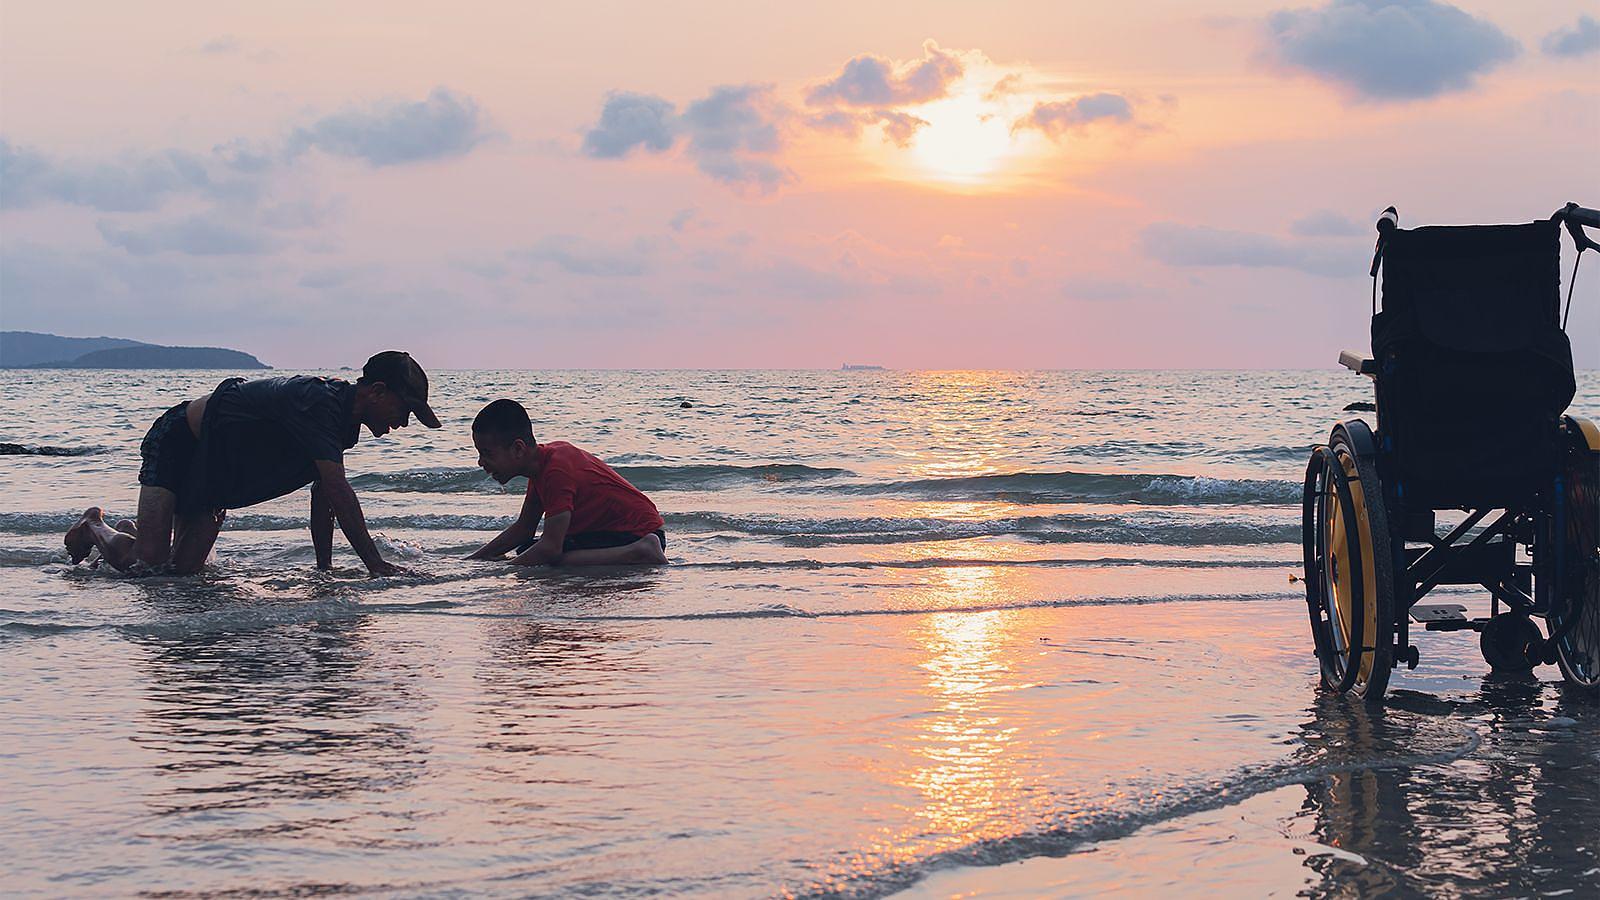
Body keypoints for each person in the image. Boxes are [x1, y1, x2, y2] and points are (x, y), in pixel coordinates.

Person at [64, 351, 442, 576]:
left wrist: (324, 567)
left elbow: (324, 494)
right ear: (377, 391)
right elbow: (339, 492)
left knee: (178, 574)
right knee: (145, 565)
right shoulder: (318, 401)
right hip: (181, 443)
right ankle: (94, 525)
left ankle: (134, 529)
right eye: (404, 409)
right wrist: (375, 565)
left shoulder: (341, 424)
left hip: (216, 473)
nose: (403, 422)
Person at [467, 399, 668, 566]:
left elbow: (551, 548)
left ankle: (640, 552)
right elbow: (524, 529)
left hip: (638, 534)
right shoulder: (540, 465)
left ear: (518, 449)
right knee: (527, 549)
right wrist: (475, 559)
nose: (481, 462)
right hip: (617, 533)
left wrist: (503, 570)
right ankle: (634, 551)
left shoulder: (556, 470)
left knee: (548, 558)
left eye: (487, 453)